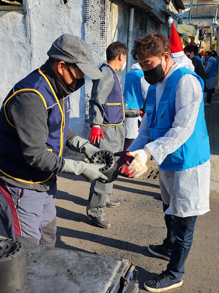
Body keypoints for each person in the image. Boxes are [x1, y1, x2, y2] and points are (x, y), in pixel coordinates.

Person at [0, 34, 108, 247]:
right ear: (62, 66)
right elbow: (35, 154)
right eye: (80, 74)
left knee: (48, 241)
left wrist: (83, 145)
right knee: (28, 253)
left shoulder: (59, 88)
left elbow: (58, 127)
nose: (82, 81)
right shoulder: (31, 96)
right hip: (20, 186)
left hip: (44, 182)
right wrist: (80, 169)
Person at [116, 31, 210, 292]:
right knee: (169, 208)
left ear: (166, 57)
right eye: (142, 65)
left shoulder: (187, 82)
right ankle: (168, 247)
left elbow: (182, 128)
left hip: (189, 163)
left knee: (184, 219)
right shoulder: (157, 86)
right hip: (167, 159)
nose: (146, 70)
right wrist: (131, 152)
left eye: (149, 64)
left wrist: (147, 154)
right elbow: (147, 126)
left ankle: (175, 272)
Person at [87, 41, 128, 229]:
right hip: (106, 130)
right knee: (105, 168)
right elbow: (97, 100)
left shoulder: (114, 74)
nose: (125, 61)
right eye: (125, 57)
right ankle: (95, 210)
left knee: (114, 165)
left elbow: (116, 104)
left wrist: (135, 112)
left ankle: (105, 198)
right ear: (121, 56)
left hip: (116, 128)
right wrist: (95, 124)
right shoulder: (105, 73)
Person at [123, 63, 149, 150]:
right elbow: (146, 93)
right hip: (135, 107)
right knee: (132, 136)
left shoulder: (129, 74)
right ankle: (127, 159)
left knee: (128, 134)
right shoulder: (141, 75)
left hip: (126, 105)